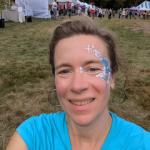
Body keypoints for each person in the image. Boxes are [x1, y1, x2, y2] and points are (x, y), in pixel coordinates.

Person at [6, 17, 150, 150]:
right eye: (64, 71)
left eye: (93, 69)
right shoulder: (33, 136)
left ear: (112, 77)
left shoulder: (142, 144)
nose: (77, 86)